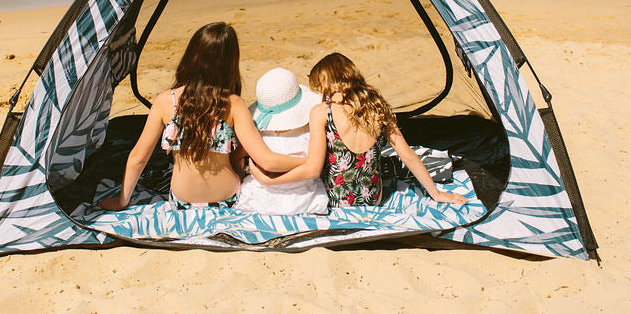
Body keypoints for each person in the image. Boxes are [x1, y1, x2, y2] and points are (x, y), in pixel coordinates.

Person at [99, 22, 302, 211]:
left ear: (192, 55)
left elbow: (137, 159)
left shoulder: (165, 101)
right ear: (230, 62)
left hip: (181, 202)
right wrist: (309, 163)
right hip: (227, 199)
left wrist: (121, 202)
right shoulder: (232, 104)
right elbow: (267, 160)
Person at [252, 53, 467, 207]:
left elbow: (313, 170)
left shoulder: (321, 112)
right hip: (373, 198)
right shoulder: (379, 107)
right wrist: (436, 193)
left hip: (337, 200)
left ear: (326, 82)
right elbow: (407, 155)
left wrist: (271, 180)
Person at [235, 68, 329, 215]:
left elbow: (235, 158)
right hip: (306, 201)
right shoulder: (309, 132)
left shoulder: (256, 138)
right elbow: (316, 168)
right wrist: (310, 162)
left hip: (261, 201)